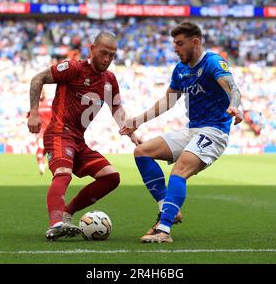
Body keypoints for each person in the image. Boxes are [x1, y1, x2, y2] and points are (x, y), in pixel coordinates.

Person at [120, 22, 243, 243]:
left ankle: (164, 230)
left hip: (214, 131)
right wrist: (137, 121)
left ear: (195, 42)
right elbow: (168, 101)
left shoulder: (213, 62)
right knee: (142, 152)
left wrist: (235, 106)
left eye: (180, 43)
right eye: (174, 44)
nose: (175, 49)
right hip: (193, 129)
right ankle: (168, 208)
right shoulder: (181, 69)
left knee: (180, 170)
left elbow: (233, 87)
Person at [28, 32, 138, 241]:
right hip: (59, 133)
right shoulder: (74, 69)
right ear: (92, 49)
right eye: (103, 53)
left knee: (111, 177)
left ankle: (68, 213)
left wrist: (130, 131)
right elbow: (38, 78)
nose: (107, 59)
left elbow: (116, 107)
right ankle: (55, 224)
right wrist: (34, 112)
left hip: (78, 140)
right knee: (63, 173)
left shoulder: (109, 80)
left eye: (112, 56)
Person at [35, 90, 52, 175]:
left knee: (41, 149)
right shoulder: (51, 103)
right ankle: (48, 164)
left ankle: (41, 165)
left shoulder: (36, 104)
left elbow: (29, 116)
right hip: (51, 131)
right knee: (50, 150)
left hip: (42, 131)